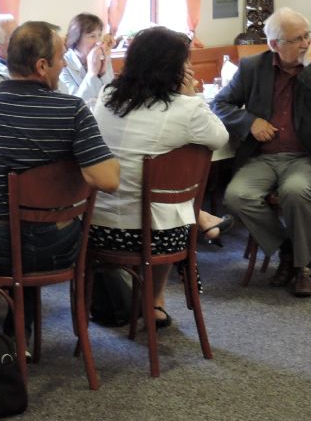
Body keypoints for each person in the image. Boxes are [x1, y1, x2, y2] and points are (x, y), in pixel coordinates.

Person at [0, 20, 120, 331]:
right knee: (33, 222)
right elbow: (109, 180)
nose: (63, 64)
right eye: (60, 58)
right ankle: (17, 331)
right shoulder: (72, 110)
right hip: (60, 245)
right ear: (42, 66)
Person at [91, 27, 231, 327]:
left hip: (98, 227)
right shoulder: (185, 109)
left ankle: (149, 301)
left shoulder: (107, 96)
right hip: (155, 235)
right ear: (173, 68)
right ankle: (154, 301)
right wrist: (191, 96)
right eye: (185, 62)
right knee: (167, 212)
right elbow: (220, 137)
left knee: (158, 206)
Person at [212, 7, 311, 298]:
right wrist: (249, 122)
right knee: (237, 196)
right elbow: (220, 104)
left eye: (307, 36)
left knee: (296, 192)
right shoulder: (253, 67)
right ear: (274, 44)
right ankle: (287, 247)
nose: (305, 43)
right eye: (297, 39)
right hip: (263, 157)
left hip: (305, 157)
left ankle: (303, 268)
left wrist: (310, 67)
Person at [60, 12, 115, 105]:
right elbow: (74, 103)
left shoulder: (104, 58)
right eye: (92, 36)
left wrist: (103, 73)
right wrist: (91, 73)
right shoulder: (63, 63)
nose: (98, 42)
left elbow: (112, 96)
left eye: (99, 35)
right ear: (76, 39)